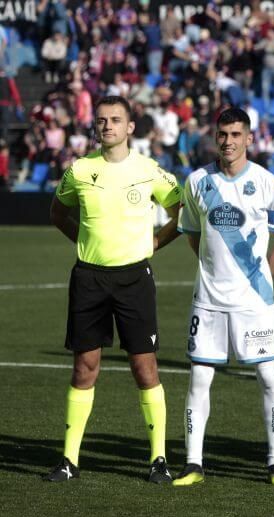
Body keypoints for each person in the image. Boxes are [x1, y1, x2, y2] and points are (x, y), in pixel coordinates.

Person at [45, 96, 183, 483]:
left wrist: (156, 242)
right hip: (89, 278)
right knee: (85, 367)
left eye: (115, 120)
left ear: (130, 128)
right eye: (102, 120)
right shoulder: (79, 170)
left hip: (134, 279)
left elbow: (181, 212)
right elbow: (58, 213)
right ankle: (69, 459)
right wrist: (82, 242)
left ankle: (158, 459)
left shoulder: (149, 170)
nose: (107, 126)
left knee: (144, 367)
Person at [171, 108, 274, 486]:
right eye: (222, 134)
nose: (228, 141)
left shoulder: (269, 183)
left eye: (236, 134)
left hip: (254, 303)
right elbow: (192, 232)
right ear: (215, 137)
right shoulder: (195, 182)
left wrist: (259, 282)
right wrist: (212, 268)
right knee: (199, 380)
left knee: (270, 378)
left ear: (249, 138)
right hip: (208, 300)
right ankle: (193, 463)